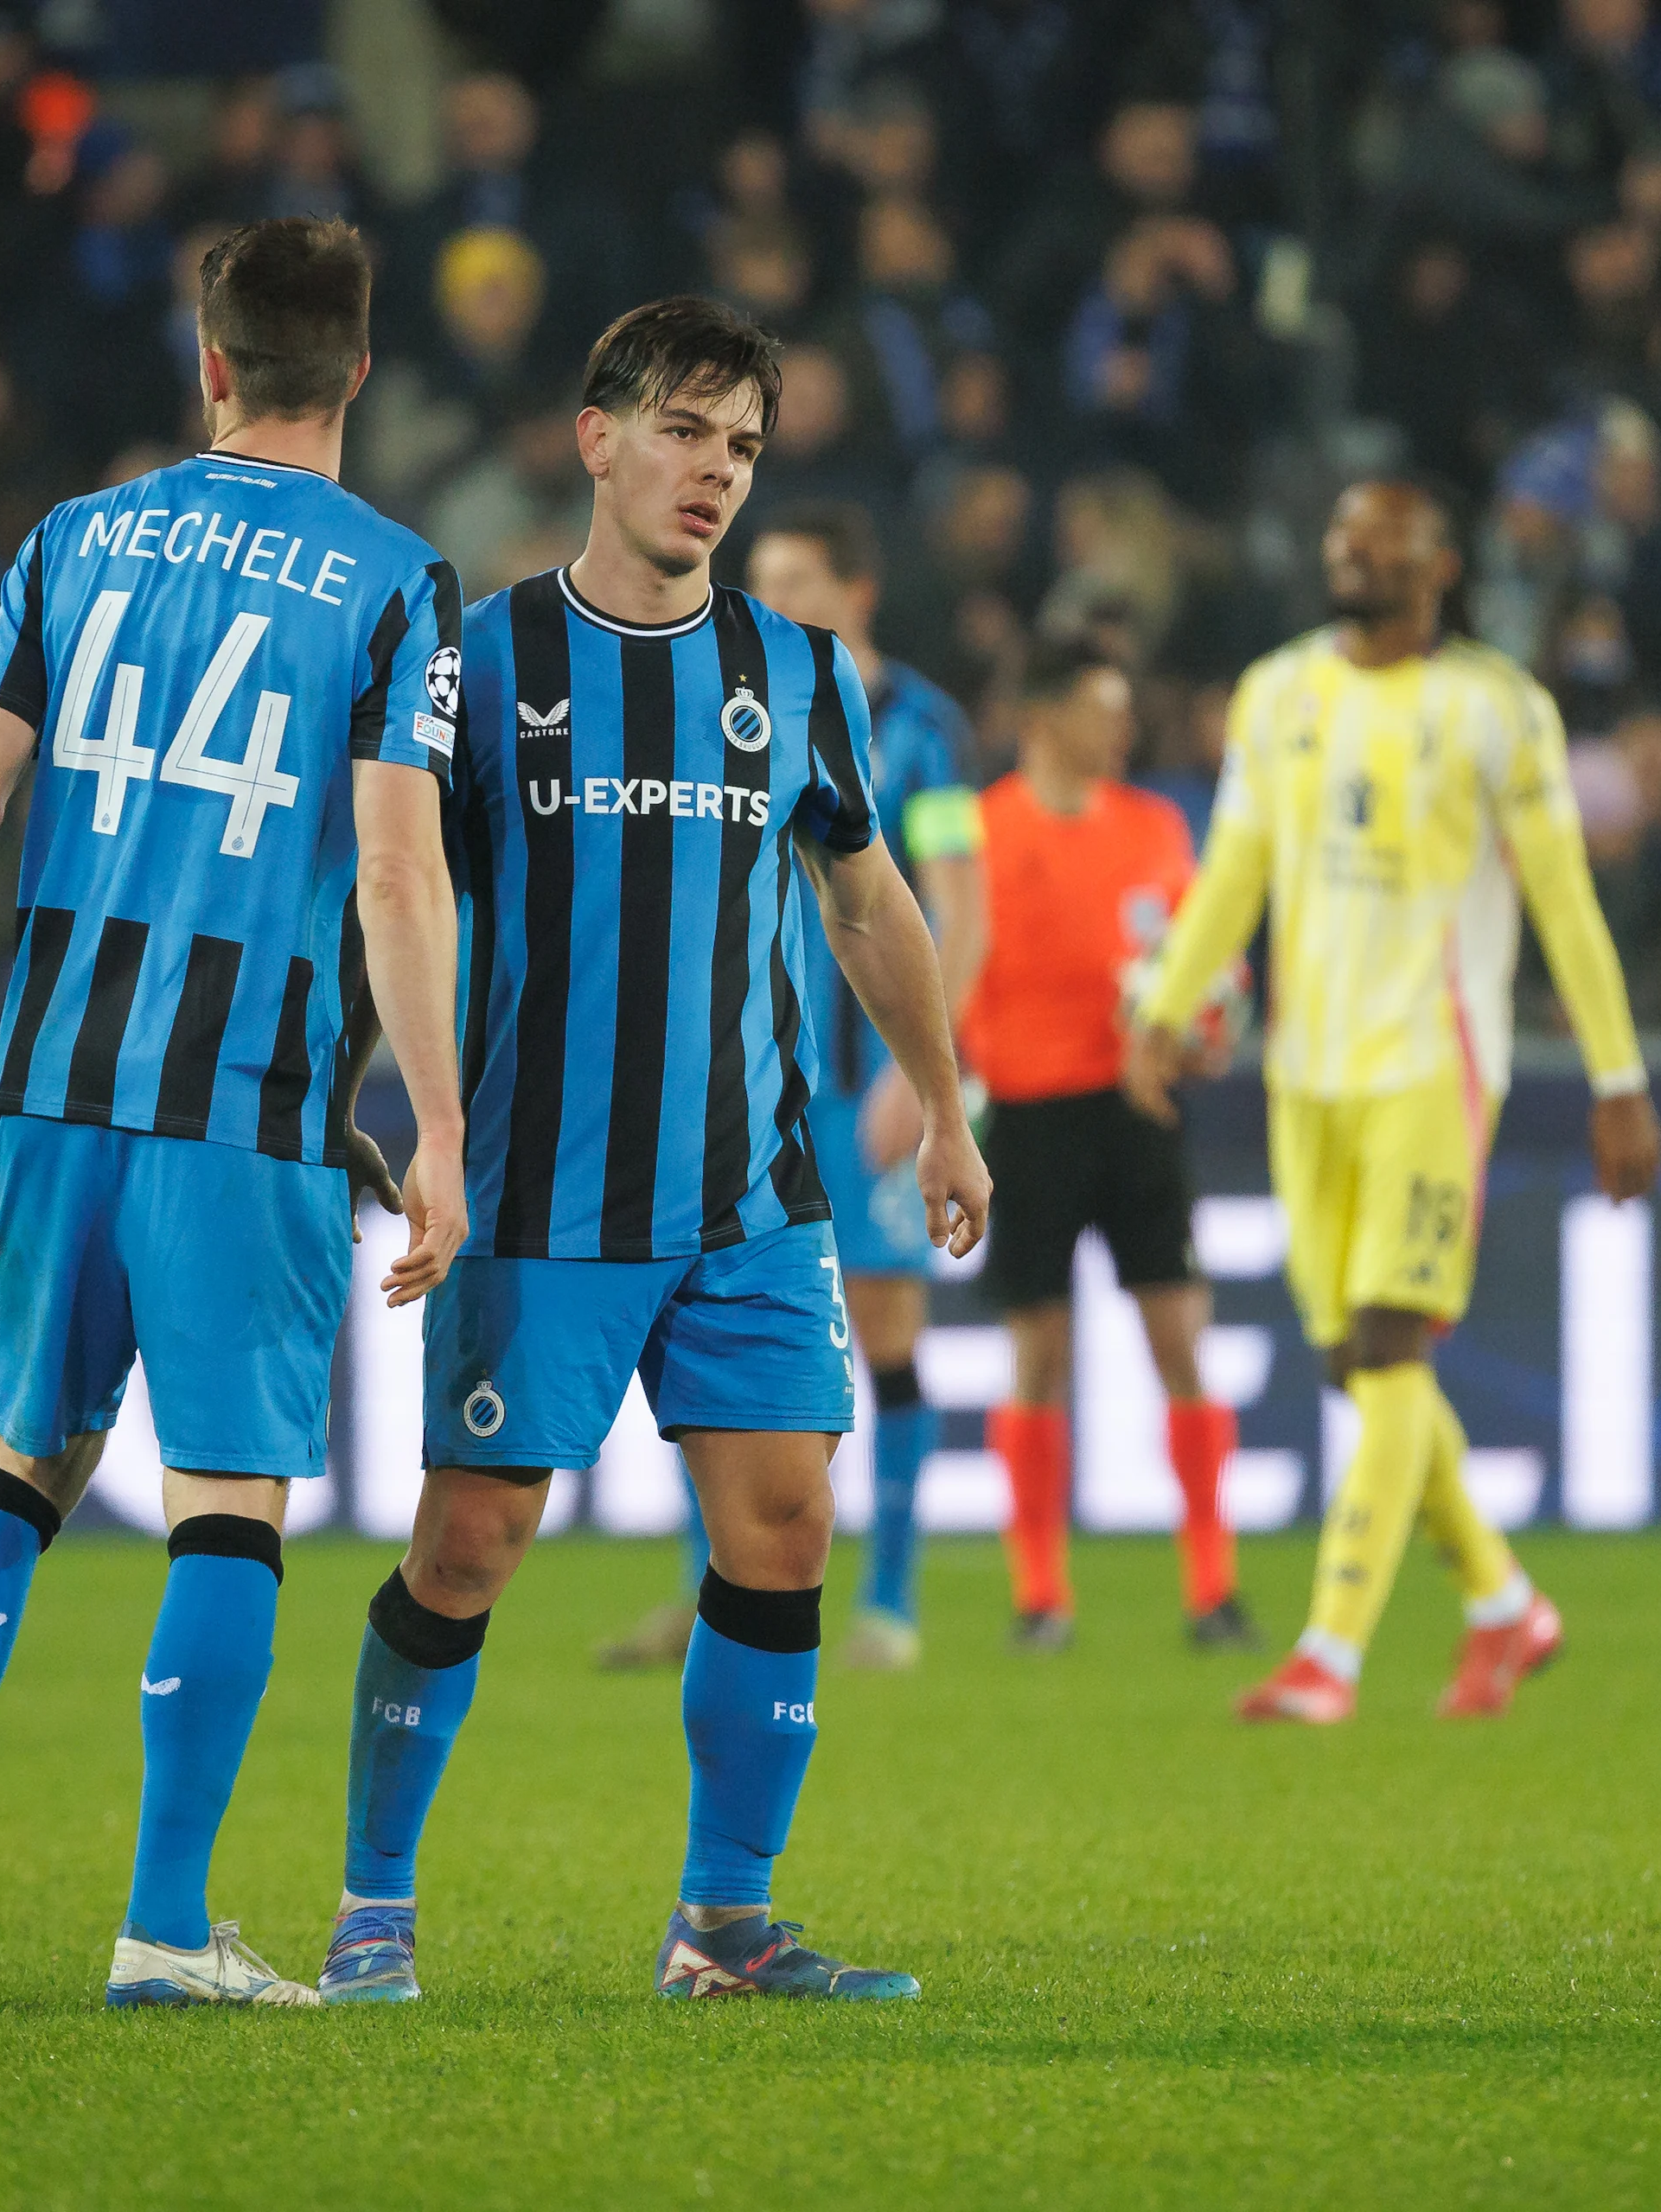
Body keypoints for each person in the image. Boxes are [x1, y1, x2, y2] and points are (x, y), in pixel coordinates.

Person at [0, 218, 471, 2010]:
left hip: (57, 1079)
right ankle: (163, 1922)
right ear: (358, 375)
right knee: (229, 1496)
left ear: (209, 362)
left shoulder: (74, 543)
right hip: (246, 1102)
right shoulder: (396, 582)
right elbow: (395, 867)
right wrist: (439, 1121)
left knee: (22, 1454)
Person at [313, 297, 987, 2008]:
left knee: (784, 1524)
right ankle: (372, 1902)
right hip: (539, 1193)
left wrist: (948, 1101)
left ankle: (727, 1924)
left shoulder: (796, 670)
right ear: (597, 436)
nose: (716, 472)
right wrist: (352, 1093)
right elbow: (402, 897)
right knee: (469, 1543)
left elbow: (865, 892)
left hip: (755, 1191)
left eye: (744, 446)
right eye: (687, 431)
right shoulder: (474, 662)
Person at [1124, 477, 1661, 1725]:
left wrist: (1619, 1078)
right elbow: (1237, 866)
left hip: (1433, 1059)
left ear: (1440, 563)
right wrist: (1166, 1004)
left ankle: (1331, 1651)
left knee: (1388, 1345)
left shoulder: (1495, 708)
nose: (1352, 553)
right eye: (1341, 537)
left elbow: (1563, 898)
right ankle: (1504, 1603)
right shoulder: (1278, 691)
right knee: (1359, 1367)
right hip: (1306, 1069)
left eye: (1381, 538)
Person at [591, 500, 986, 1673]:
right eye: (758, 578)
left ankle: (895, 1602)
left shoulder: (921, 728)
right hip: (740, 1077)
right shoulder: (727, 698)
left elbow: (958, 903)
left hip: (862, 1082)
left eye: (795, 577)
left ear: (857, 589)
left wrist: (929, 1076)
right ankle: (705, 1590)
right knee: (700, 1320)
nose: (765, 600)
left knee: (885, 1329)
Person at [964, 632, 1253, 1658]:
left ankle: (1212, 1587)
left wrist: (1209, 1025)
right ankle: (1041, 1594)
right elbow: (952, 974)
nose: (1125, 726)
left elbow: (1207, 958)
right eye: (1105, 706)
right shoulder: (983, 832)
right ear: (1045, 719)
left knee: (1179, 1339)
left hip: (1139, 1114)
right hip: (1031, 1116)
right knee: (1038, 1355)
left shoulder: (1158, 827)